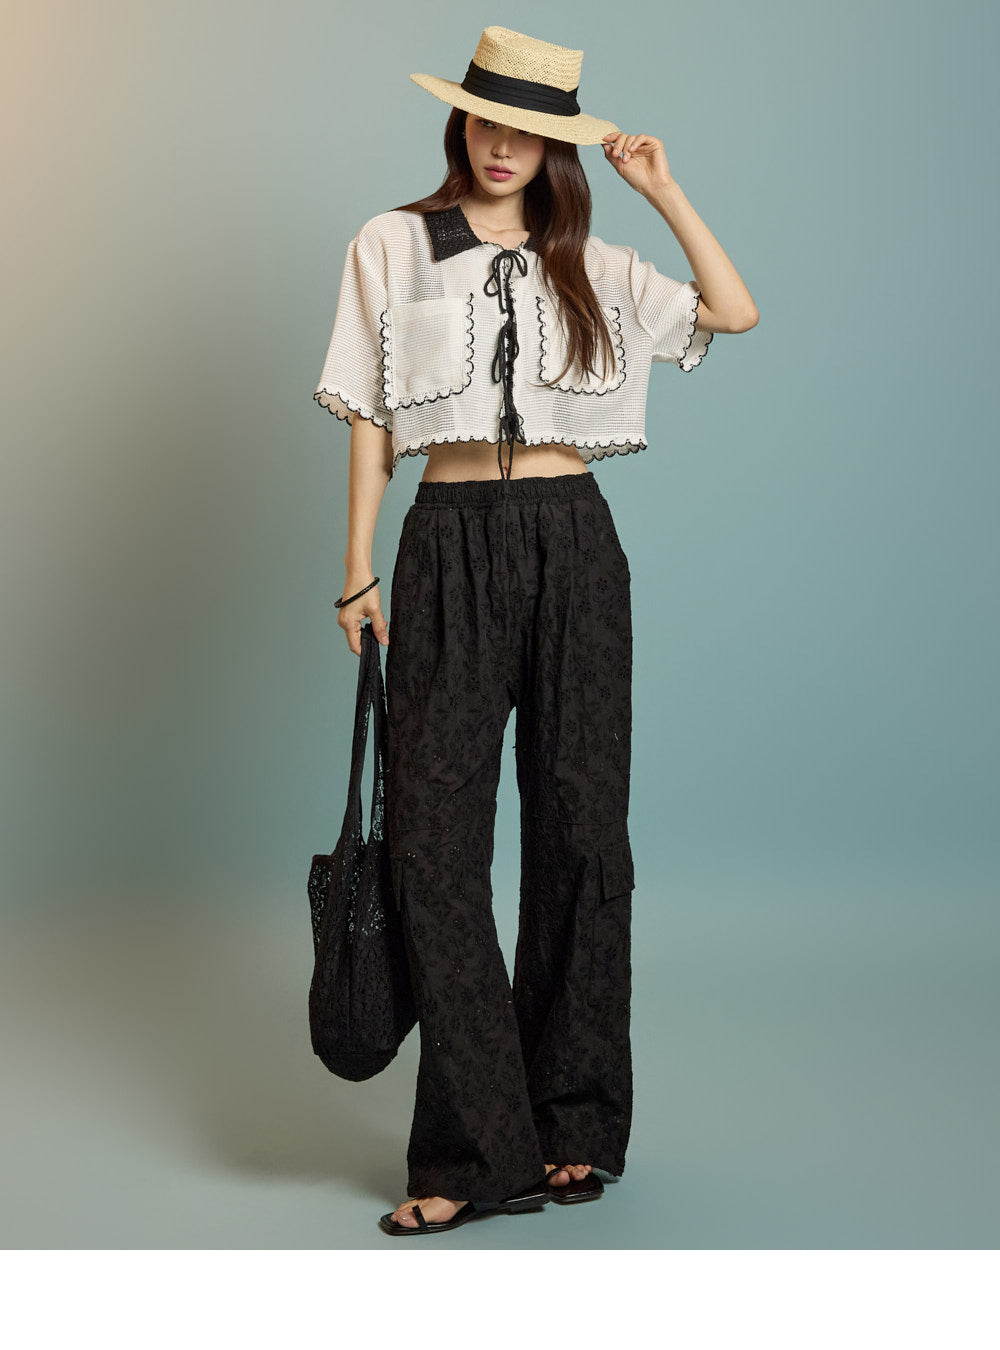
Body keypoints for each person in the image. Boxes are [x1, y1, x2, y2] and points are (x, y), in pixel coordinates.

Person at [313, 25, 758, 1237]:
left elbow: (733, 310)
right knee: (432, 844)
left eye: (527, 130)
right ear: (458, 122)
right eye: (485, 121)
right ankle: (473, 1150)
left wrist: (661, 190)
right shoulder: (392, 243)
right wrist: (356, 569)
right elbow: (367, 412)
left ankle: (572, 1122)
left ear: (555, 144)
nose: (501, 146)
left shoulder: (592, 260)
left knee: (580, 832)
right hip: (446, 542)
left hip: (574, 545)